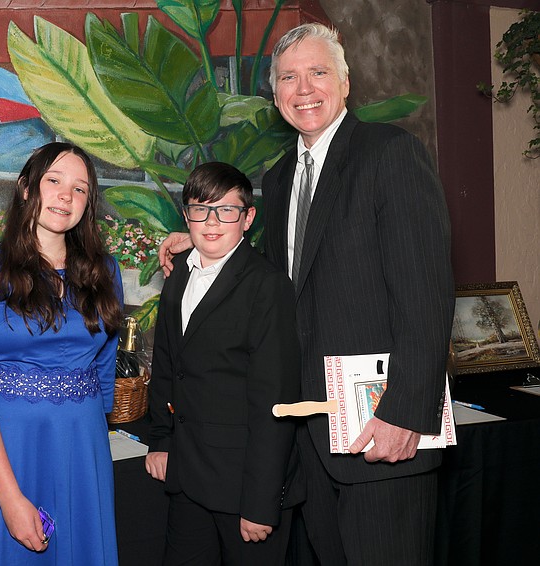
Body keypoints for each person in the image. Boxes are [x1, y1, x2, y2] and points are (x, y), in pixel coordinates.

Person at [159, 23, 454, 566]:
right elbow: (275, 283)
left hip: (381, 430)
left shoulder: (390, 154)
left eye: (318, 73)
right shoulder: (279, 177)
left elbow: (426, 296)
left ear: (345, 83)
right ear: (275, 97)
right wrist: (203, 243)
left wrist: (407, 413)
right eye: (290, 78)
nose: (304, 88)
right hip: (310, 437)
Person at [0, 142, 123, 565]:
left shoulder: (106, 271)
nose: (67, 195)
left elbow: (104, 369)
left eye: (80, 189)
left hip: (83, 452)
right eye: (54, 181)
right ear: (26, 189)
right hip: (7, 454)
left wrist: (89, 442)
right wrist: (9, 499)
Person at [145, 162, 300, 565]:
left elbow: (275, 403)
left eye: (226, 210)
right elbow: (166, 363)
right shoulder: (179, 271)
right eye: (200, 209)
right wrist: (161, 440)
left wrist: (261, 502)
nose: (211, 222)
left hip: (243, 490)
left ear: (247, 218)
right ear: (186, 215)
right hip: (186, 478)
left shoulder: (267, 286)